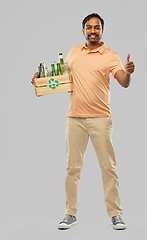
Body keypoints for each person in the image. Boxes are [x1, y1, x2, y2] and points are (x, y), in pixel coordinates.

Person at [32, 13, 135, 230]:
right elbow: (60, 79)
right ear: (83, 31)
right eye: (89, 27)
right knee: (72, 168)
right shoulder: (73, 53)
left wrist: (127, 72)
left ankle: (116, 214)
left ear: (102, 31)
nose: (93, 31)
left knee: (108, 167)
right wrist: (39, 81)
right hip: (75, 119)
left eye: (97, 27)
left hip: (101, 119)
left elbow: (123, 83)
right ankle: (70, 214)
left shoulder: (110, 55)